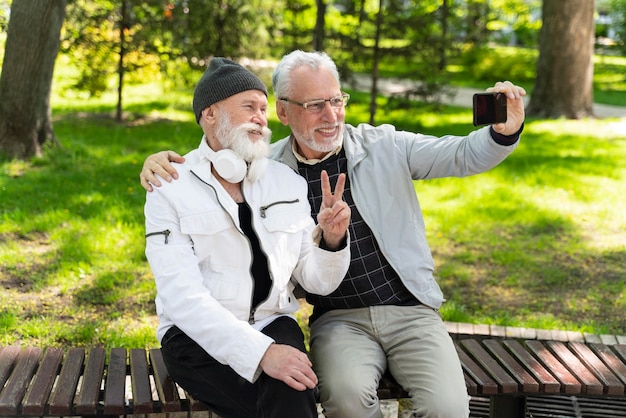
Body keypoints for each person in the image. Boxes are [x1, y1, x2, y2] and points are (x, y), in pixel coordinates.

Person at [141, 50, 527, 418]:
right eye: (314, 105)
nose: (331, 115)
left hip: (410, 311)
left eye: (336, 101)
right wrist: (157, 164)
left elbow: (460, 154)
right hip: (338, 318)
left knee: (448, 409)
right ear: (285, 111)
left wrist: (502, 133)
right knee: (344, 403)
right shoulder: (268, 167)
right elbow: (208, 172)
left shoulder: (383, 147)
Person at [144, 57, 351, 418]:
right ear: (210, 114)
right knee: (283, 407)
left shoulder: (287, 182)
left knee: (293, 391)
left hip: (274, 322)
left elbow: (317, 281)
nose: (261, 117)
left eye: (263, 108)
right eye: (249, 107)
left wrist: (332, 242)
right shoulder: (169, 187)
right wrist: (261, 353)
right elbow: (182, 297)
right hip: (193, 335)